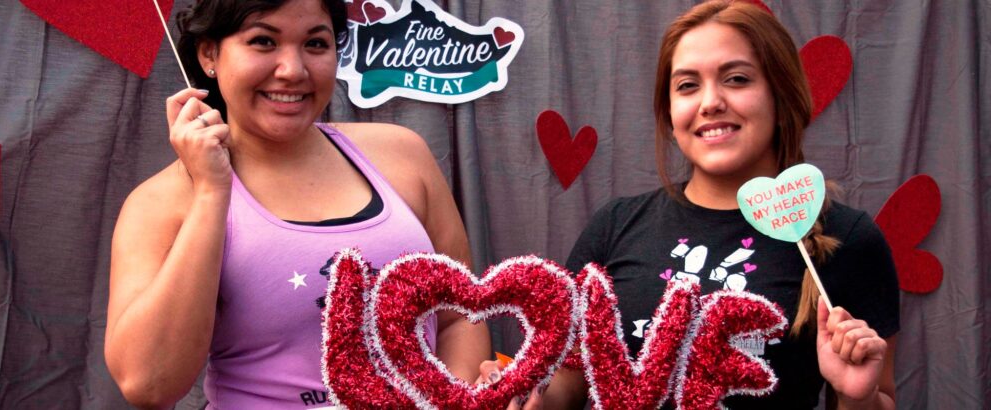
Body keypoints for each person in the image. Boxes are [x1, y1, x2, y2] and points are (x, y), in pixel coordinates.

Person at [480, 1, 898, 408]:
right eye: (687, 85)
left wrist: (857, 397)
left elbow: (878, 397)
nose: (710, 102)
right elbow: (565, 387)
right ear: (669, 111)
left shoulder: (849, 239)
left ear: (780, 95)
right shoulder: (615, 226)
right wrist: (517, 392)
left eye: (736, 79)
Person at [103, 0, 489, 407]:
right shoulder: (160, 203)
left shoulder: (401, 155)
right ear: (209, 54)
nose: (293, 70)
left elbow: (460, 316)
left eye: (316, 44)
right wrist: (212, 191)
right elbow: (148, 384)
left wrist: (447, 402)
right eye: (263, 41)